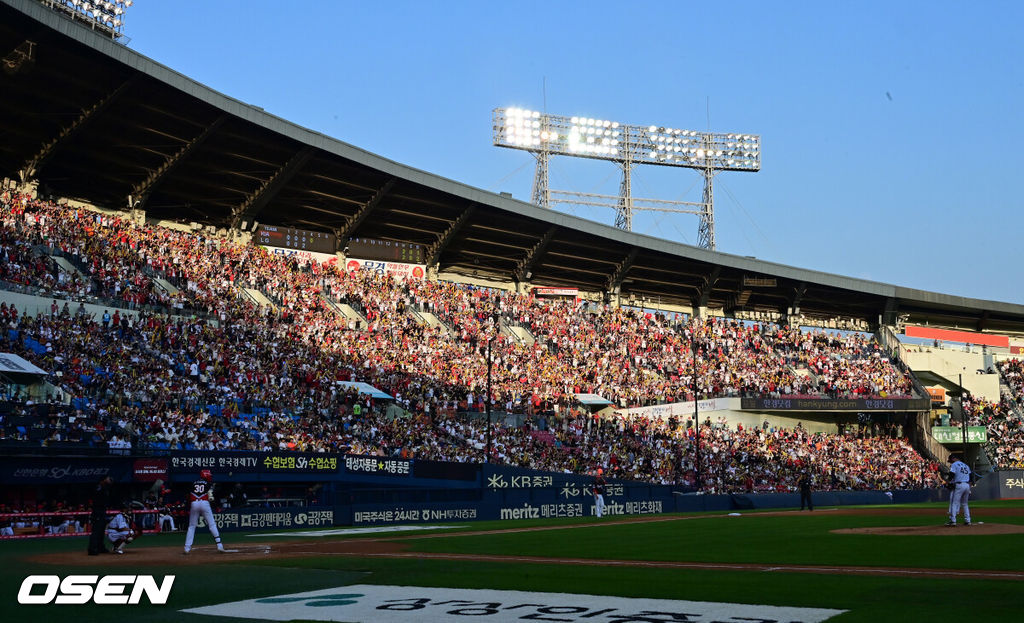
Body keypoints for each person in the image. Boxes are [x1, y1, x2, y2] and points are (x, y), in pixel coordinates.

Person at [184, 469, 225, 554]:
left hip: (194, 503)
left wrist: (188, 508)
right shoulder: (209, 484)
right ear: (206, 476)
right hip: (204, 503)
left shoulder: (193, 483)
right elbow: (211, 497)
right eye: (209, 475)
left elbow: (188, 497)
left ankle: (187, 548)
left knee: (191, 526)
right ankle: (219, 545)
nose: (210, 477)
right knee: (212, 524)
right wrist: (216, 507)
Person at [87, 476, 114, 555]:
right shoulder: (99, 488)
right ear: (103, 480)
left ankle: (100, 547)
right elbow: (96, 499)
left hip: (102, 511)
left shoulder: (105, 488)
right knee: (96, 531)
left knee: (101, 530)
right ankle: (92, 549)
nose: (109, 480)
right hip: (97, 511)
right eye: (107, 478)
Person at [946, 454, 973, 527]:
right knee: (965, 503)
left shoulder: (954, 464)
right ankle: (968, 520)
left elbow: (951, 474)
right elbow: (971, 478)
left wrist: (947, 482)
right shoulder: (966, 466)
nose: (950, 462)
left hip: (959, 485)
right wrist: (969, 487)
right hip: (967, 485)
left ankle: (953, 520)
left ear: (954, 458)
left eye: (950, 460)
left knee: (954, 503)